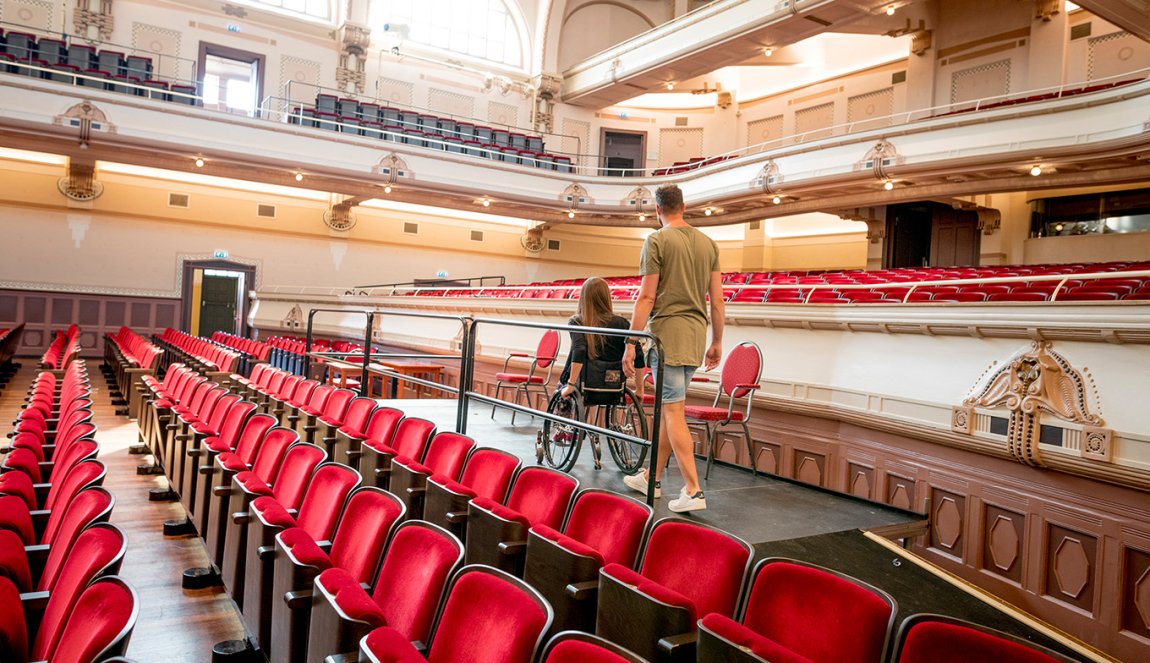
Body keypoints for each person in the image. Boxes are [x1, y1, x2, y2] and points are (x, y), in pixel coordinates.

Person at [622, 183, 723, 512]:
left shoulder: (656, 240)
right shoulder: (708, 244)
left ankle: (693, 490)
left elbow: (647, 297)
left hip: (668, 336)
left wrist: (631, 342)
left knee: (672, 411)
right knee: (670, 408)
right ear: (683, 207)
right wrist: (717, 341)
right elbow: (718, 302)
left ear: (657, 210)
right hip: (695, 336)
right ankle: (650, 477)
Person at [557, 276, 644, 404]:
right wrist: (639, 389)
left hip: (585, 384)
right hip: (614, 387)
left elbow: (579, 350)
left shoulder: (578, 321)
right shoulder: (623, 323)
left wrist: (570, 385)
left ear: (584, 298)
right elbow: (639, 355)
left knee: (561, 390)